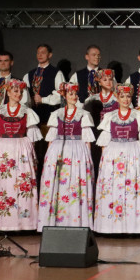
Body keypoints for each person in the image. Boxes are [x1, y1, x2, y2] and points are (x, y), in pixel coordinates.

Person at [94, 83, 140, 233]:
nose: (126, 99)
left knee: (132, 188)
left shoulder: (139, 116)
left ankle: (135, 226)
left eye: (128, 96)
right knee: (114, 187)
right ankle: (111, 227)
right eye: (122, 96)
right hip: (114, 154)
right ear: (117, 97)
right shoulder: (110, 117)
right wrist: (105, 161)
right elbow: (104, 141)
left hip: (133, 153)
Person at [0, 79, 41, 231]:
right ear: (8, 92)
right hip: (2, 149)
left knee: (20, 183)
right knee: (3, 184)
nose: (18, 94)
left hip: (20, 148)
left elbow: (32, 138)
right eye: (15, 91)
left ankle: (23, 222)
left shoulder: (27, 112)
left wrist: (28, 155)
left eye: (20, 92)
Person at [38, 83, 96, 229]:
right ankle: (56, 221)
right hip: (59, 149)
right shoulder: (56, 114)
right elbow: (51, 139)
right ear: (64, 96)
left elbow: (87, 139)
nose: (74, 97)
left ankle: (75, 220)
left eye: (76, 94)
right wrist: (48, 157)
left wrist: (87, 158)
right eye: (71, 94)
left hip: (77, 149)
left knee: (74, 183)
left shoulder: (83, 114)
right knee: (58, 182)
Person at [23, 44, 64, 125]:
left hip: (49, 116)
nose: (40, 55)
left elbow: (61, 95)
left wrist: (43, 100)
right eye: (38, 53)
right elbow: (23, 96)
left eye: (43, 53)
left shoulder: (56, 73)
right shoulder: (29, 74)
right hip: (32, 117)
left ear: (50, 55)